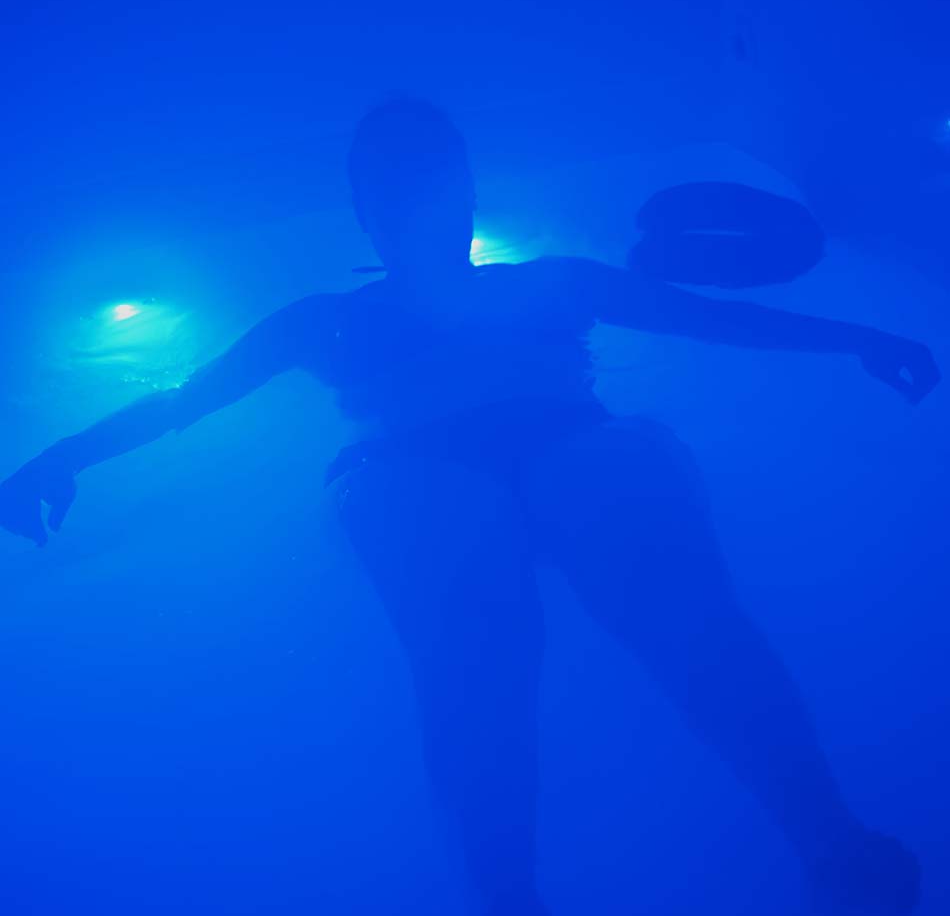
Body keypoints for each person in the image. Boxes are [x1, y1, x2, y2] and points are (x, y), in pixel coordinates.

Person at [0, 100, 939, 915]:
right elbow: (185, 400)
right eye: (402, 183)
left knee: (627, 573)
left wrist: (860, 336)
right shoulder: (338, 317)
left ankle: (824, 842)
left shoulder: (537, 284)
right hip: (427, 474)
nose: (422, 200)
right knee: (490, 610)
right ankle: (515, 894)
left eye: (434, 177)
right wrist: (61, 455)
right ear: (369, 213)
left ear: (464, 192)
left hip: (543, 457)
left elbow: (710, 318)